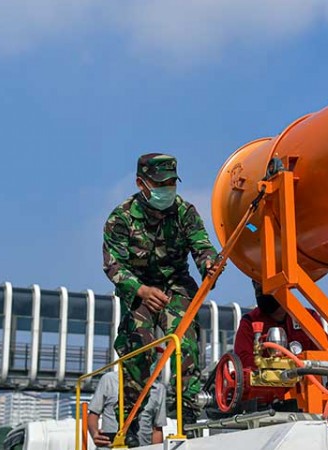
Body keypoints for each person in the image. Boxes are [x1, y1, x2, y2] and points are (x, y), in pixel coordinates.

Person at [103, 153, 218, 441]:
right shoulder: (121, 218)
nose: (167, 188)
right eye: (160, 183)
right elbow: (113, 264)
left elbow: (202, 247)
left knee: (184, 339)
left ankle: (189, 413)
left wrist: (209, 265)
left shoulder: (185, 212)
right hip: (139, 288)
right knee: (136, 347)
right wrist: (140, 290)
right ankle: (127, 423)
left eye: (171, 182)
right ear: (141, 183)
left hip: (176, 285)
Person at [234, 281, 321, 369]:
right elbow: (242, 361)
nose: (261, 294)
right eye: (258, 289)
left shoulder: (309, 319)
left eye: (265, 289)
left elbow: (322, 355)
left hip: (306, 380)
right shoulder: (250, 322)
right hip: (266, 381)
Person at [87, 371, 166, 448]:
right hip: (111, 447)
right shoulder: (109, 379)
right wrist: (95, 434)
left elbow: (157, 429)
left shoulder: (159, 388)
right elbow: (93, 414)